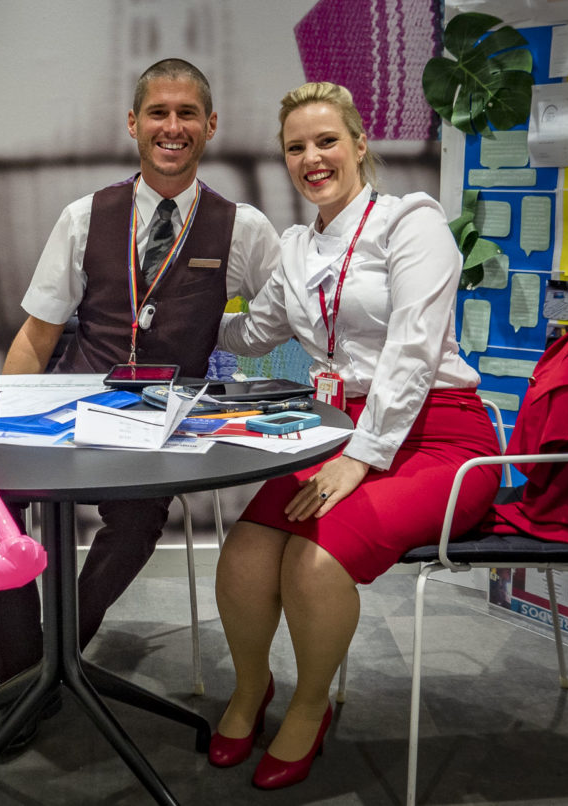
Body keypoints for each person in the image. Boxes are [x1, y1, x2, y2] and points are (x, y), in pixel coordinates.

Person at [0, 58, 282, 744]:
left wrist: (237, 344)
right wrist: (4, 427)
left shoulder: (243, 227)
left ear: (211, 126)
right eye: (159, 113)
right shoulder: (84, 217)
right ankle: (23, 672)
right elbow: (37, 335)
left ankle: (58, 648)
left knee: (137, 521)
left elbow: (284, 318)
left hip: (164, 417)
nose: (173, 127)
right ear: (133, 125)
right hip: (75, 400)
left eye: (187, 113)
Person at [210, 81, 501, 790]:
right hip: (337, 433)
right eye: (296, 148)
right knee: (247, 554)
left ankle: (310, 708)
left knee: (313, 563)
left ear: (360, 144)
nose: (312, 158)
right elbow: (254, 333)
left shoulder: (412, 222)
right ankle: (253, 691)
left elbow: (413, 347)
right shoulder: (298, 248)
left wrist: (365, 456)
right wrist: (192, 306)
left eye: (326, 140)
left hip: (440, 436)